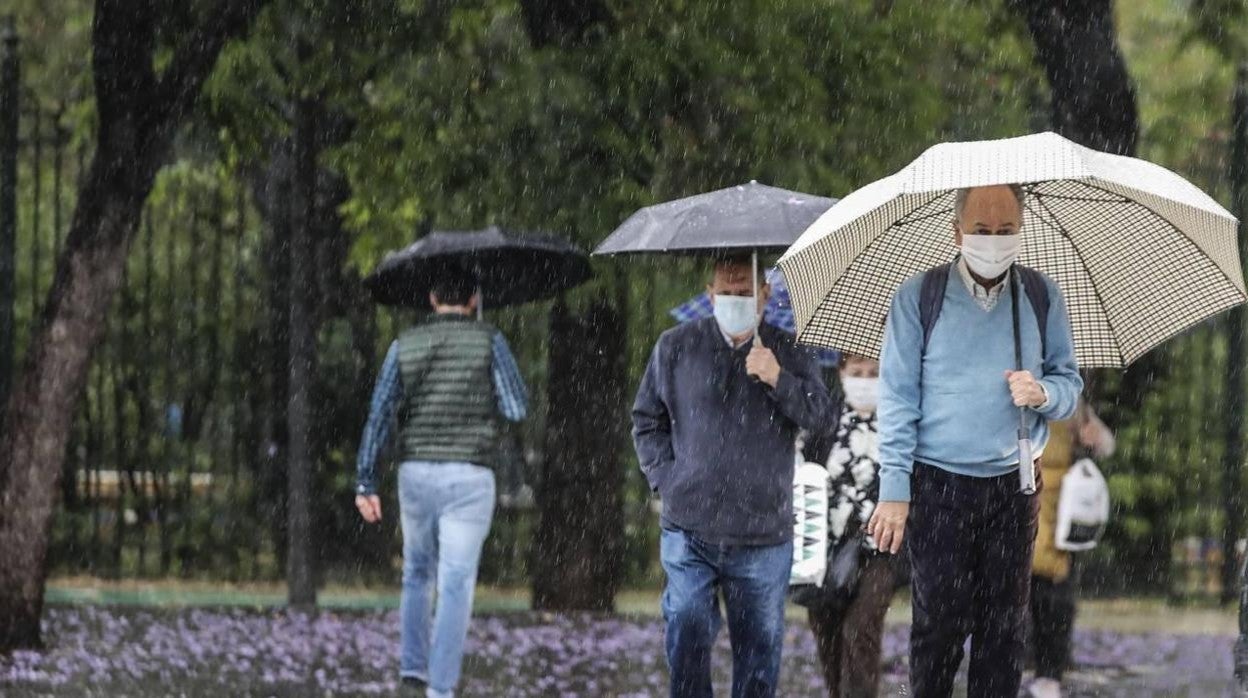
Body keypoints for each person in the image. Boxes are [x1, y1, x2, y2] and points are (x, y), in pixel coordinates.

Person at [866, 184, 1084, 698]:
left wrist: (1043, 393)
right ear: (957, 230)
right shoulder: (920, 297)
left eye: (1005, 231)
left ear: (1020, 231)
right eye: (982, 231)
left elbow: (1069, 387)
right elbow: (897, 399)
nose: (993, 241)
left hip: (1013, 485)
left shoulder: (1039, 295)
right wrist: (894, 491)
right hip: (938, 484)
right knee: (938, 626)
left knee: (1003, 633)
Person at [633, 254, 832, 698]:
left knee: (759, 655)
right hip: (690, 526)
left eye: (745, 292)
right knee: (686, 623)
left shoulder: (790, 349)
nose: (735, 299)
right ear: (710, 294)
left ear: (765, 295)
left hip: (763, 532)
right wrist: (666, 478)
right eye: (727, 291)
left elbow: (820, 416)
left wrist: (778, 378)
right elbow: (647, 419)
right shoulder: (675, 346)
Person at [354, 267, 529, 698]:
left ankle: (413, 670)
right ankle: (441, 688)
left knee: (416, 572)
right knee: (455, 581)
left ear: (432, 298)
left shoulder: (405, 344)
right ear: (473, 300)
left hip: (416, 474)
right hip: (469, 476)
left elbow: (380, 414)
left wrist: (365, 482)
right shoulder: (489, 340)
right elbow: (516, 407)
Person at [801, 354, 898, 698]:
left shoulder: (899, 424)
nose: (865, 380)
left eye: (873, 373)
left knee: (861, 629)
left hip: (879, 549)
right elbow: (805, 474)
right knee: (826, 630)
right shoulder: (824, 421)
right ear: (841, 373)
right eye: (857, 373)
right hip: (824, 549)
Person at [1027, 400, 1114, 698]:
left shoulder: (1070, 400)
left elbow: (1106, 444)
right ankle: (1036, 670)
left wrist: (1091, 434)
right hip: (1023, 501)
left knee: (1052, 598)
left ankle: (1048, 673)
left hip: (1058, 511)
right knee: (1027, 595)